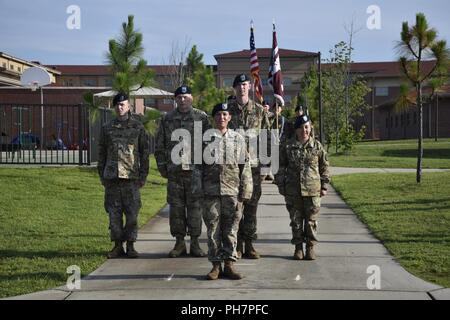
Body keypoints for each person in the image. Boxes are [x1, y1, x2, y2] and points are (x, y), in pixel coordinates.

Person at [192, 103, 253, 280]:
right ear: (214, 118)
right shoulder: (204, 140)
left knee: (231, 229)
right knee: (213, 230)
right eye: (218, 114)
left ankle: (229, 264)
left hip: (232, 192)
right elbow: (197, 167)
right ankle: (216, 266)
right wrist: (198, 191)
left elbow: (245, 166)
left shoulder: (238, 139)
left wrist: (245, 191)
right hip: (210, 193)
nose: (222, 117)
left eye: (225, 114)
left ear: (230, 117)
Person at [155, 85, 210, 258]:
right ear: (175, 100)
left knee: (195, 209)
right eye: (179, 97)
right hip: (175, 173)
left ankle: (194, 243)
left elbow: (209, 145)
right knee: (176, 209)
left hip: (196, 172)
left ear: (192, 97)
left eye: (186, 96)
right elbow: (160, 146)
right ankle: (179, 243)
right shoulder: (167, 119)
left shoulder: (202, 118)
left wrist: (207, 169)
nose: (183, 100)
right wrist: (163, 167)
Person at [97, 92, 150, 259]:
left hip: (131, 178)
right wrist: (102, 175)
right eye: (117, 105)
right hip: (112, 178)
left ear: (128, 106)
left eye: (123, 104)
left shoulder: (138, 127)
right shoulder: (107, 128)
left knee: (132, 213)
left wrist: (143, 176)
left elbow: (144, 153)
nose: (120, 108)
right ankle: (117, 246)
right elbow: (101, 153)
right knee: (114, 213)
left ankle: (131, 245)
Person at [227, 74, 271, 259]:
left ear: (249, 87)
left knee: (251, 208)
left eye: (245, 85)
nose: (242, 88)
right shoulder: (226, 111)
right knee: (236, 209)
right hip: (232, 170)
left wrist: (267, 166)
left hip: (253, 168)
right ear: (234, 88)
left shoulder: (259, 111)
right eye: (239, 85)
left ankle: (250, 244)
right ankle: (236, 245)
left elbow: (268, 139)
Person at [275, 114, 330, 260]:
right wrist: (281, 185)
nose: (304, 130)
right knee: (296, 221)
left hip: (313, 190)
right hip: (293, 191)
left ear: (310, 128)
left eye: (306, 127)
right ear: (296, 130)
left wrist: (324, 185)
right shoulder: (288, 146)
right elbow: (280, 166)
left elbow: (324, 166)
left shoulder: (317, 146)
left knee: (311, 221)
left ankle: (310, 247)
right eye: (301, 128)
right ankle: (298, 247)